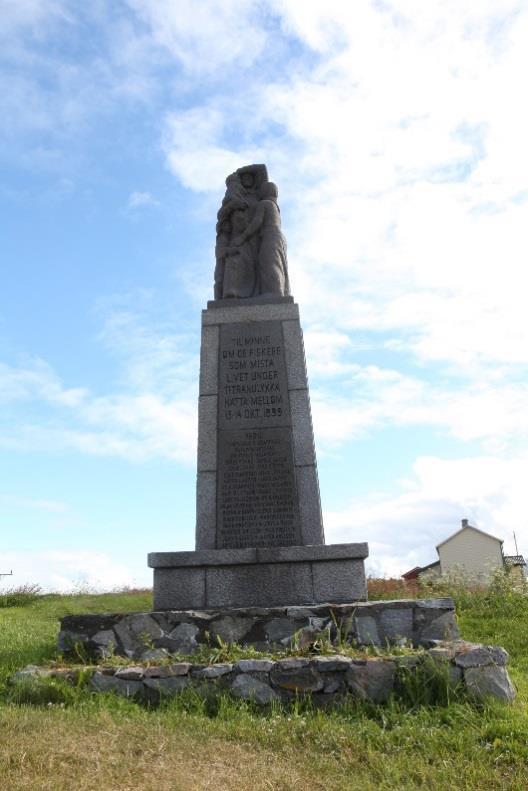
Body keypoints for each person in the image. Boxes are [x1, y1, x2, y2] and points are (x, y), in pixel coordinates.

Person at [231, 182, 290, 297]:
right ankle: (283, 291)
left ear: (265, 192)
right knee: (279, 262)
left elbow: (257, 223)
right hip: (279, 237)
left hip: (270, 235)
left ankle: (274, 292)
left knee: (269, 261)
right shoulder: (275, 207)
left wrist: (242, 237)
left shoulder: (264, 204)